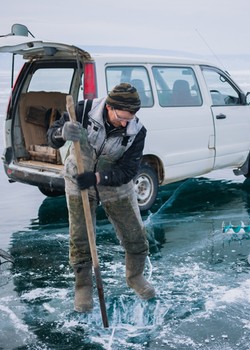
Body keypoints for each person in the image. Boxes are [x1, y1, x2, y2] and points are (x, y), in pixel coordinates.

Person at [47, 83, 155, 312]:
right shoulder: (82, 110)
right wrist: (62, 131)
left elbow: (128, 171)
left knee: (135, 235)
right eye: (122, 117)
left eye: (131, 118)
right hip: (78, 179)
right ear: (109, 107)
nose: (126, 123)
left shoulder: (137, 131)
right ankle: (83, 286)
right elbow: (52, 137)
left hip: (114, 184)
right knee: (81, 237)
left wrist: (97, 177)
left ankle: (135, 276)